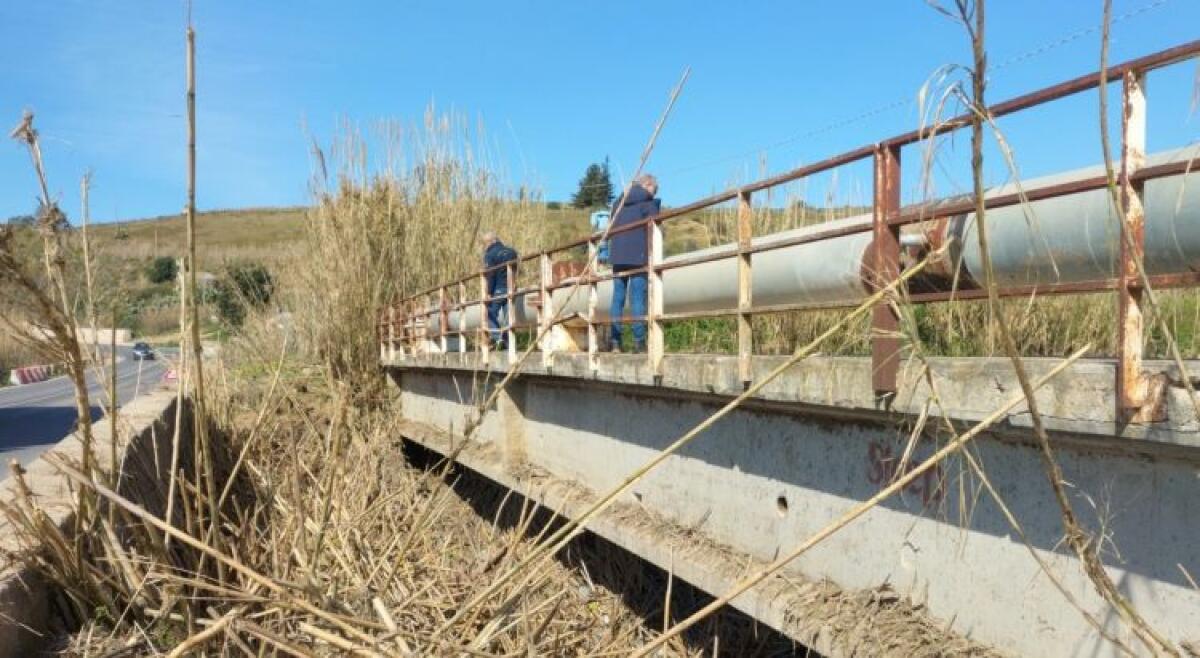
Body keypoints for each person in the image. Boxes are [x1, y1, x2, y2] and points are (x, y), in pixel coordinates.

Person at [607, 174, 660, 353]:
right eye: (655, 190)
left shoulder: (618, 203)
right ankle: (639, 342)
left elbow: (610, 226)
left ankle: (615, 342)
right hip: (638, 256)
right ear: (648, 185)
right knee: (638, 298)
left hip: (617, 256)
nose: (655, 193)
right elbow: (656, 226)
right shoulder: (648, 202)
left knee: (618, 298)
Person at [481, 231, 518, 349]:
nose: (484, 246)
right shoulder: (512, 252)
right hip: (511, 288)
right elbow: (516, 270)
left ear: (491, 241)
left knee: (488, 314)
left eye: (485, 243)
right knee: (509, 318)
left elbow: (490, 275)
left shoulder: (490, 254)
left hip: (498, 289)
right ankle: (509, 345)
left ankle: (498, 339)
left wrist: (488, 293)